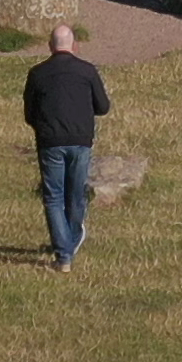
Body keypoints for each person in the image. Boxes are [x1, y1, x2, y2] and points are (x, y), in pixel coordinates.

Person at [22, 22, 110, 272]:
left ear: (50, 46)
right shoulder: (87, 71)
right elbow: (103, 107)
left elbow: (29, 114)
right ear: (75, 46)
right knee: (76, 194)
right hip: (81, 141)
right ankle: (69, 243)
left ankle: (64, 254)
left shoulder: (37, 74)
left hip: (50, 142)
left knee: (54, 197)